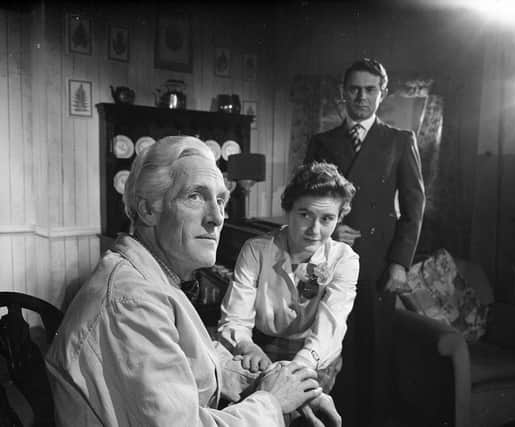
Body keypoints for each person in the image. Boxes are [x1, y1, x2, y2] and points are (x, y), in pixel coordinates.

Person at [46, 136, 341, 427]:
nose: (217, 217)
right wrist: (272, 401)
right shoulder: (132, 301)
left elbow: (195, 363)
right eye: (195, 196)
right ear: (148, 209)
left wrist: (279, 380)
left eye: (221, 200)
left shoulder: (150, 276)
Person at [304, 58, 426, 426]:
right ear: (343, 93)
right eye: (354, 89)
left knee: (376, 354)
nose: (361, 96)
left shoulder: (400, 141)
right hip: (329, 260)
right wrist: (328, 228)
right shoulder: (321, 142)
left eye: (370, 89)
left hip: (377, 264)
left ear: (382, 94)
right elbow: (305, 201)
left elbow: (414, 208)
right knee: (330, 347)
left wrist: (399, 263)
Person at [218, 161, 359, 395]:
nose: (314, 230)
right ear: (288, 209)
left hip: (316, 354)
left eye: (327, 219)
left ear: (339, 218)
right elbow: (235, 317)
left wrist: (297, 367)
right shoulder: (256, 250)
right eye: (305, 215)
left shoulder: (345, 259)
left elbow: (329, 328)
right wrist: (246, 345)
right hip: (261, 348)